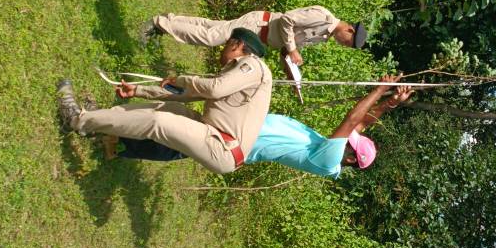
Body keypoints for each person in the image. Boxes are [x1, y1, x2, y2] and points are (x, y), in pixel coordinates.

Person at [103, 75, 413, 179]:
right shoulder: (332, 149)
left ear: (350, 159)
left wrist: (378, 89)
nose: (349, 140)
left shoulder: (329, 160)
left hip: (238, 141)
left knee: (180, 140)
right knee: (182, 132)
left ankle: (119, 141)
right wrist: (390, 103)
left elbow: (351, 120)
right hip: (241, 129)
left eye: (351, 146)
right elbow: (361, 123)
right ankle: (120, 139)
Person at [56, 29, 271, 175]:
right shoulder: (235, 76)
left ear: (237, 44)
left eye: (226, 45)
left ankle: (75, 120)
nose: (221, 50)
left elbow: (214, 89)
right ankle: (99, 123)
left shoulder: (253, 65)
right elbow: (184, 93)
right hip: (215, 137)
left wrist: (181, 79)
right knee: (172, 109)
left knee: (158, 122)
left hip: (223, 149)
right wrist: (139, 90)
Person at [138, 5, 367, 66]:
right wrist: (293, 49)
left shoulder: (324, 36)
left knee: (211, 27)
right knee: (211, 38)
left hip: (260, 36)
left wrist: (289, 62)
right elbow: (287, 19)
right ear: (350, 30)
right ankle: (158, 24)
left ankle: (168, 21)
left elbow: (289, 42)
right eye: (348, 42)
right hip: (258, 25)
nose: (343, 44)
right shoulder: (324, 17)